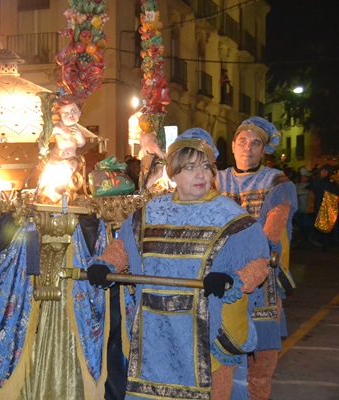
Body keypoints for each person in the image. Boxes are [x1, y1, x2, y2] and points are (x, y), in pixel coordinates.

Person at [88, 128, 270, 399]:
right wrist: (105, 264)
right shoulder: (149, 212)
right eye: (189, 168)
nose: (200, 175)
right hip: (155, 333)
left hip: (207, 335)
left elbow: (260, 264)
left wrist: (234, 281)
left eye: (206, 167)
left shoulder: (231, 216)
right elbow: (124, 247)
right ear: (173, 174)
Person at [216, 116, 298, 400]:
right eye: (242, 141)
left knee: (261, 356)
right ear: (234, 145)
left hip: (261, 278)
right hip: (219, 273)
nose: (247, 148)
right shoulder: (216, 179)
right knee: (219, 351)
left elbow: (271, 233)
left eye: (255, 144)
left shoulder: (277, 182)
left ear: (264, 150)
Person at [307, 163, 339, 252]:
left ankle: (327, 244)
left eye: (325, 171)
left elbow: (335, 194)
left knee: (327, 226)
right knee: (318, 225)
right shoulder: (318, 181)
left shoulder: (331, 182)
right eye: (322, 171)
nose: (323, 173)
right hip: (318, 206)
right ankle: (321, 242)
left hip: (328, 208)